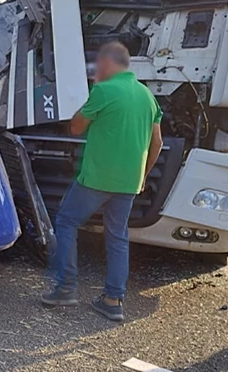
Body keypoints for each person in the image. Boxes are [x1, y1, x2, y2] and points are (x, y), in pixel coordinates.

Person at [40, 41, 163, 322]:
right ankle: (113, 300)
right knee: (118, 236)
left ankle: (66, 288)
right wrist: (142, 176)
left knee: (67, 221)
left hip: (96, 178)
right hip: (129, 182)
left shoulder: (104, 90)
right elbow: (157, 142)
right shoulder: (147, 96)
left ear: (108, 64)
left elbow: (75, 127)